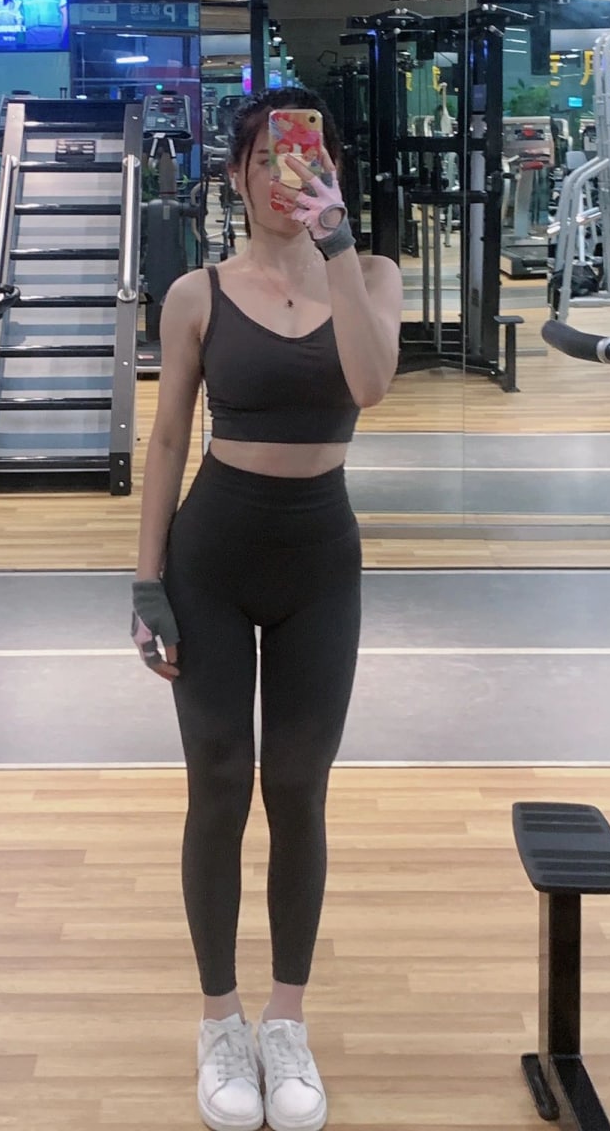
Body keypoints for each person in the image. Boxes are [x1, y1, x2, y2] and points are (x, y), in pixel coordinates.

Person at [131, 87, 403, 1131]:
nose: (292, 172)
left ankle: (286, 1021)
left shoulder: (370, 275)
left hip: (321, 559)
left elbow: (370, 386)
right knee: (218, 779)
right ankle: (219, 1020)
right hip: (213, 553)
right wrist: (146, 580)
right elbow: (167, 438)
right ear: (239, 176)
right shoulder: (196, 294)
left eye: (311, 155)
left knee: (297, 783)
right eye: (271, 157)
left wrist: (337, 242)